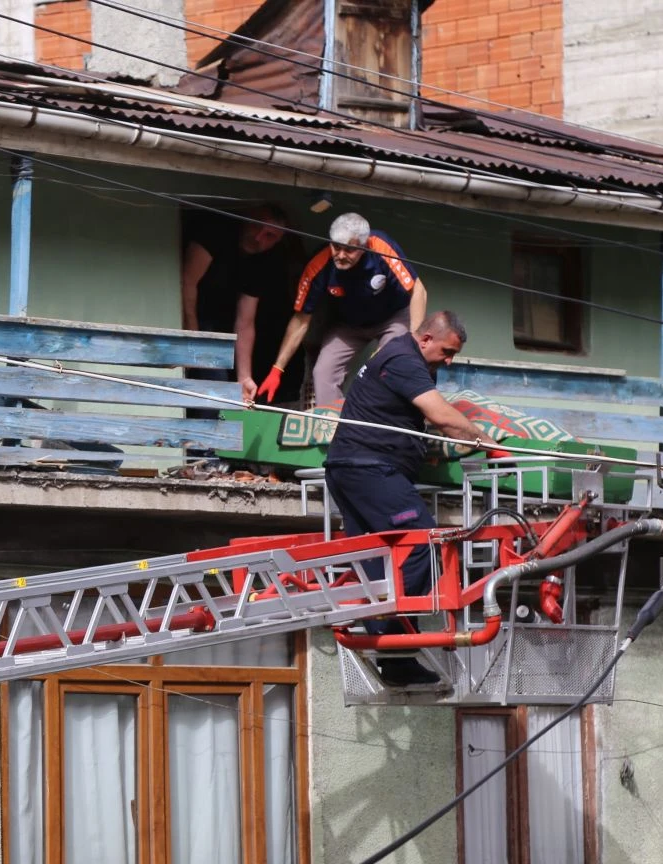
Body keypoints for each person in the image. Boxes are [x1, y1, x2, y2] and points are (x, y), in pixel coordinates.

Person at [323, 310, 502, 688]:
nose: (449, 361)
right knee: (423, 544)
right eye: (447, 351)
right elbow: (442, 416)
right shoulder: (405, 359)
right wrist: (488, 444)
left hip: (351, 469)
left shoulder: (403, 357)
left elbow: (404, 416)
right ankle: (390, 634)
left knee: (381, 559)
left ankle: (395, 657)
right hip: (370, 469)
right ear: (426, 339)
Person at [257, 212, 428, 407]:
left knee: (385, 364)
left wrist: (412, 341)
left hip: (393, 318)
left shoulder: (381, 247)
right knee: (322, 373)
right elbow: (301, 320)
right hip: (349, 324)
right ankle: (333, 429)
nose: (340, 255)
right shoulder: (320, 263)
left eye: (349, 250)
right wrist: (277, 369)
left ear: (364, 246)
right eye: (336, 247)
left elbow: (418, 291)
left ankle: (375, 424)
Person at [180, 204, 303, 408]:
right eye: (257, 227)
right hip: (196, 313)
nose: (259, 238)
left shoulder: (263, 261)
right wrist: (193, 332)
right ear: (247, 220)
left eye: (270, 236)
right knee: (213, 379)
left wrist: (244, 377)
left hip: (224, 320)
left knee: (229, 383)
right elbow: (187, 281)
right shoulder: (216, 232)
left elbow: (245, 320)